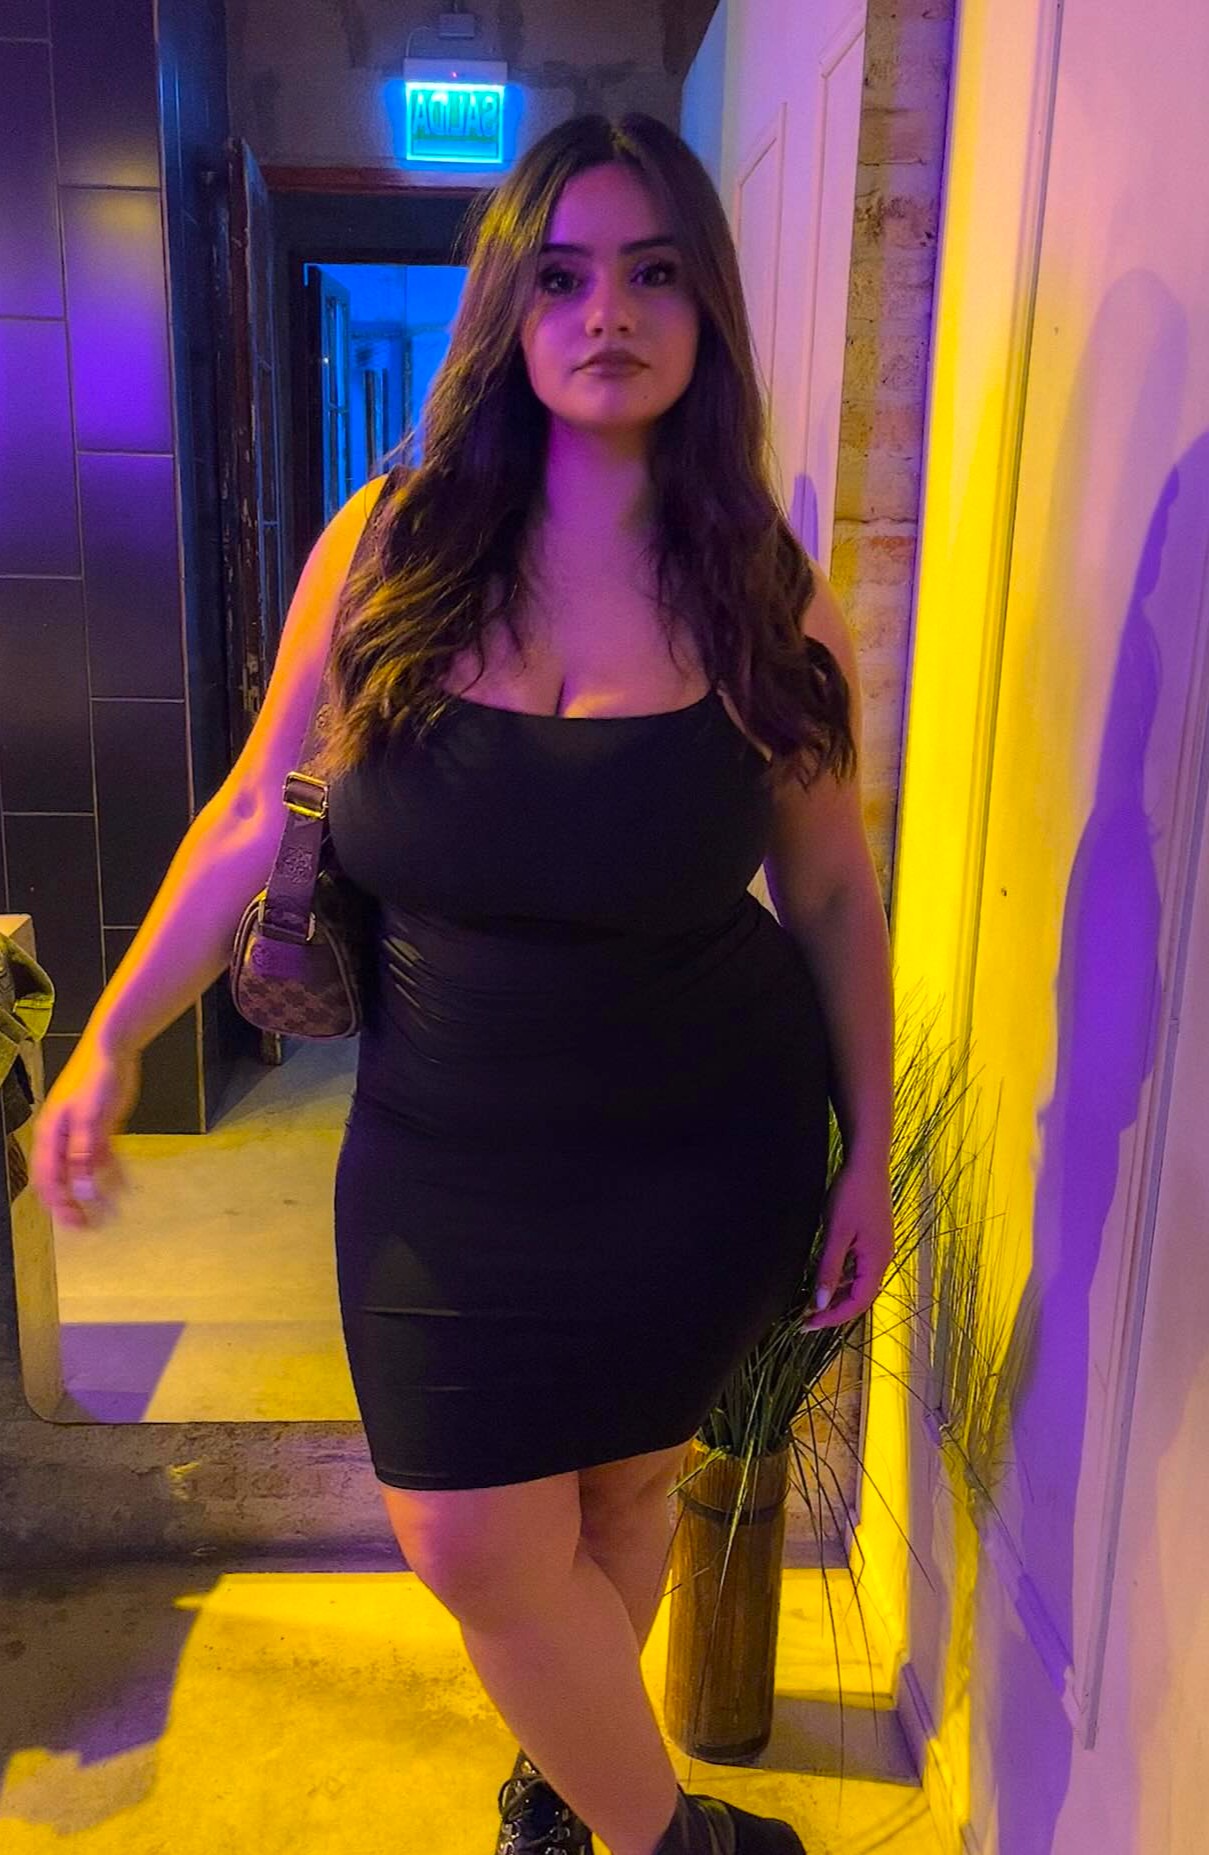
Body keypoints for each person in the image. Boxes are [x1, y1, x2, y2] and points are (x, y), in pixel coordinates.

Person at [30, 112, 895, 1855]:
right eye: (561, 276)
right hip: (445, 1152)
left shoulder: (767, 600)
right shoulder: (392, 547)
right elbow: (248, 814)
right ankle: (679, 1840)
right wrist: (111, 1038)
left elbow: (826, 888)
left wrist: (866, 1150)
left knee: (624, 1489)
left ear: (707, 310)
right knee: (469, 1536)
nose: (607, 313)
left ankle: (559, 1809)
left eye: (654, 271)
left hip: (704, 1140)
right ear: (505, 307)